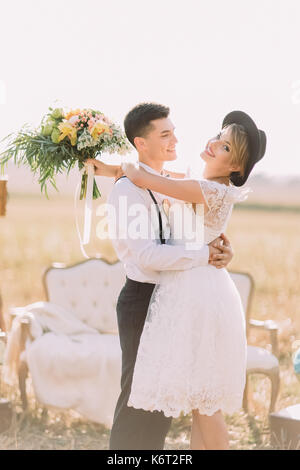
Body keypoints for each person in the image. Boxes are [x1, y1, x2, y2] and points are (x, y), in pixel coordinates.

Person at [85, 102, 235, 450]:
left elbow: (197, 219)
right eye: (165, 134)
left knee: (160, 402)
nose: (174, 140)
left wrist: (220, 248)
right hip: (141, 299)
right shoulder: (127, 191)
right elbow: (148, 255)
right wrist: (204, 255)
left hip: (171, 301)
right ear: (142, 143)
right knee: (139, 399)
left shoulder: (163, 183)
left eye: (173, 131)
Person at [120, 110, 266, 450]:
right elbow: (163, 181)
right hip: (195, 290)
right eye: (219, 137)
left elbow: (147, 179)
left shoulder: (207, 190)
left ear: (236, 169)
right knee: (201, 402)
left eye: (226, 148)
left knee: (206, 403)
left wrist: (129, 168)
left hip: (198, 296)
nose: (214, 144)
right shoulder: (202, 186)